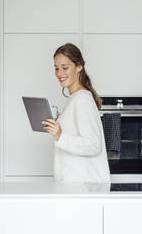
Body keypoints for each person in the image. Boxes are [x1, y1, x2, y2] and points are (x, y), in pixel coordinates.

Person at [42, 43, 110, 183]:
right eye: (56, 68)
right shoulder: (75, 99)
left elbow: (93, 145)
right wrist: (62, 121)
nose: (59, 73)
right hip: (74, 188)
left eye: (65, 67)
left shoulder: (82, 100)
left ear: (79, 66)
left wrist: (60, 135)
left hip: (82, 189)